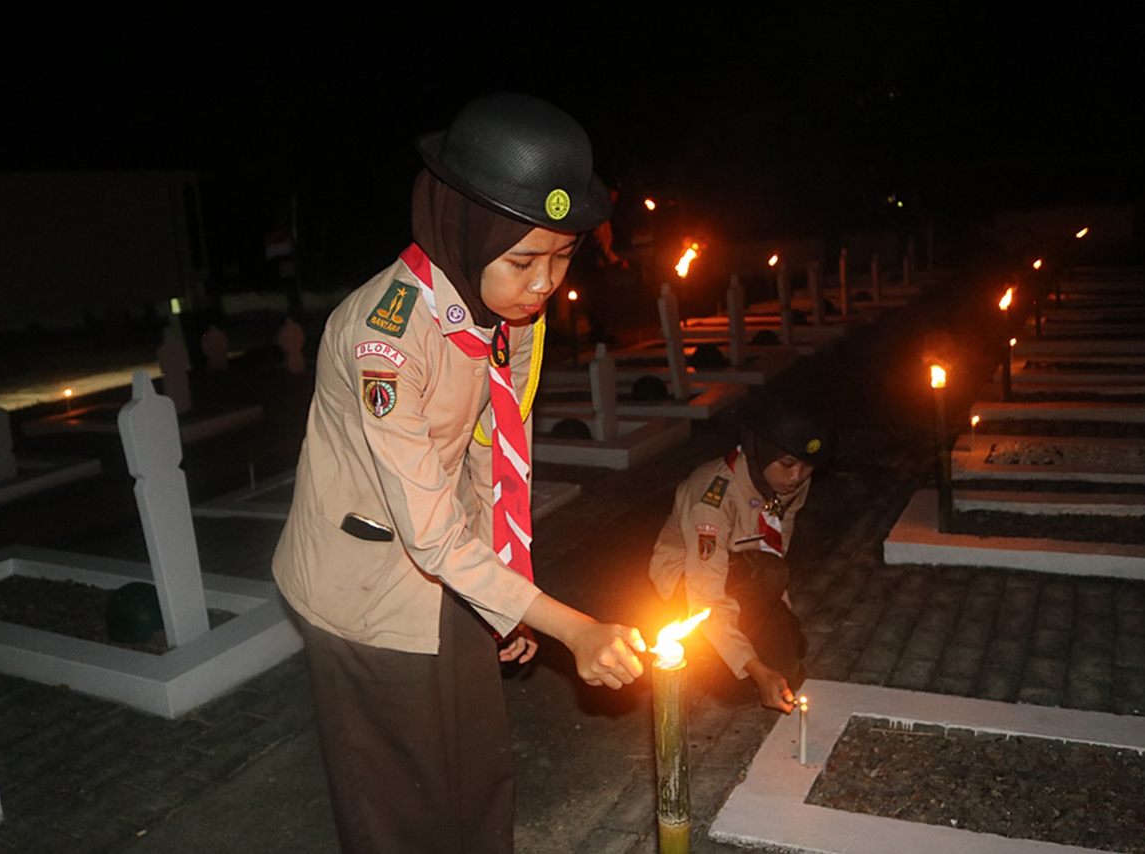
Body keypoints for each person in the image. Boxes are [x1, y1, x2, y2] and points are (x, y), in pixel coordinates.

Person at [272, 93, 646, 854]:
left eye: (563, 256)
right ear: (464, 229)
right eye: (524, 260)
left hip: (451, 566)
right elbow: (429, 528)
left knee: (476, 769)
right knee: (399, 795)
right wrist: (569, 626)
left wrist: (509, 595)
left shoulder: (506, 317)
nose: (545, 284)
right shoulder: (389, 340)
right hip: (367, 586)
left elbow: (493, 455)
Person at [648, 400, 834, 713]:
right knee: (736, 686)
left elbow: (775, 546)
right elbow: (705, 595)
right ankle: (706, 655)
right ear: (761, 450)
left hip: (750, 577)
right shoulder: (712, 497)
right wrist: (755, 669)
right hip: (690, 582)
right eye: (788, 464)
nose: (797, 477)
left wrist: (782, 613)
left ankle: (746, 636)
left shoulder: (791, 483)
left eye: (807, 466)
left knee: (790, 668)